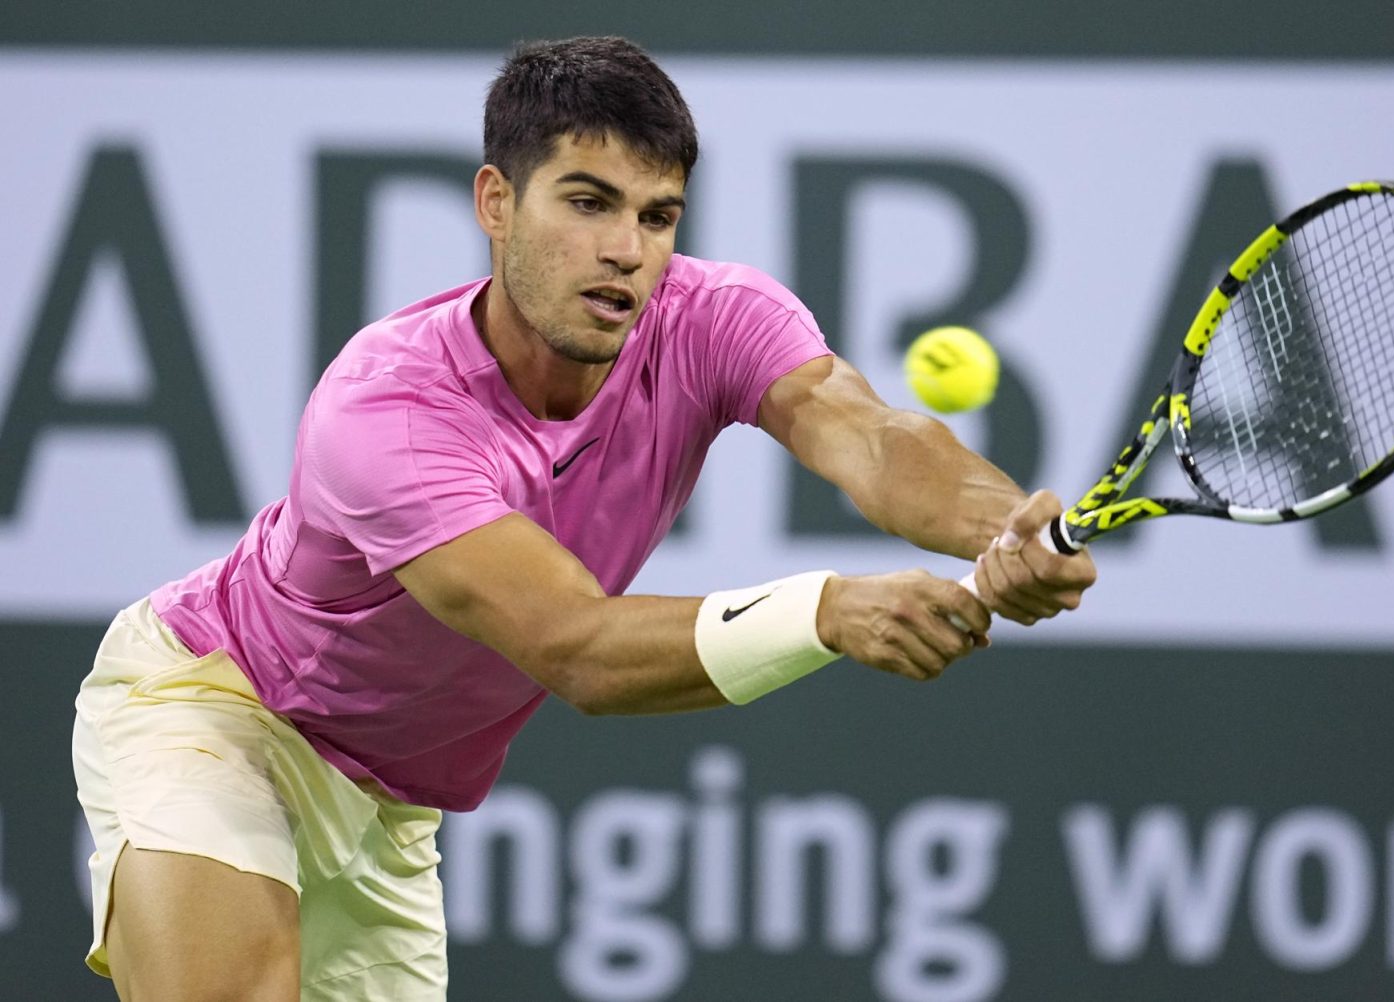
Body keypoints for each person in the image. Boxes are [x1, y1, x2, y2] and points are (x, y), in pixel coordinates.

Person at [71, 35, 1096, 1001]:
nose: (625, 251)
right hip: (219, 705)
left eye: (657, 216)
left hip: (388, 806)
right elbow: (577, 650)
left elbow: (870, 439)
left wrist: (1002, 528)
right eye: (588, 202)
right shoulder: (388, 410)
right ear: (497, 202)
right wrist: (823, 611)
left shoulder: (714, 317)